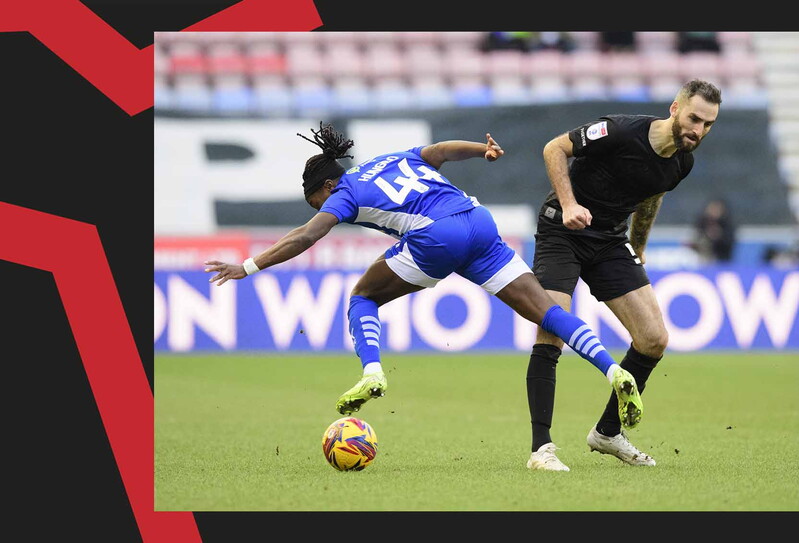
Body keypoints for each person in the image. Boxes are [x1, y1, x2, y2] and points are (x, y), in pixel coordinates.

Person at [203, 122, 644, 470]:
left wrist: (247, 266)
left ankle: (373, 371)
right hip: (478, 220)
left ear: (325, 188)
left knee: (362, 297)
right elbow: (439, 152)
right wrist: (481, 149)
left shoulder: (345, 193)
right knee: (547, 312)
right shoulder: (389, 159)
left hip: (437, 237)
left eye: (318, 202)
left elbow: (307, 236)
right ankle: (611, 370)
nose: (322, 210)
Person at [525, 79, 722, 470]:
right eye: (694, 118)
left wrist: (640, 246)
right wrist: (567, 204)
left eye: (708, 124)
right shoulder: (620, 130)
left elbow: (651, 196)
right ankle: (541, 449)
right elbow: (554, 148)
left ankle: (607, 432)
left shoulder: (682, 161)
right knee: (551, 331)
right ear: (674, 108)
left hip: (610, 242)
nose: (698, 130)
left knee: (653, 339)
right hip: (563, 231)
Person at [693, 198, 736, 263]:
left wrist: (719, 236)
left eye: (717, 209)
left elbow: (729, 242)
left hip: (721, 260)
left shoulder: (726, 224)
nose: (714, 211)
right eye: (712, 208)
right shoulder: (702, 223)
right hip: (701, 259)